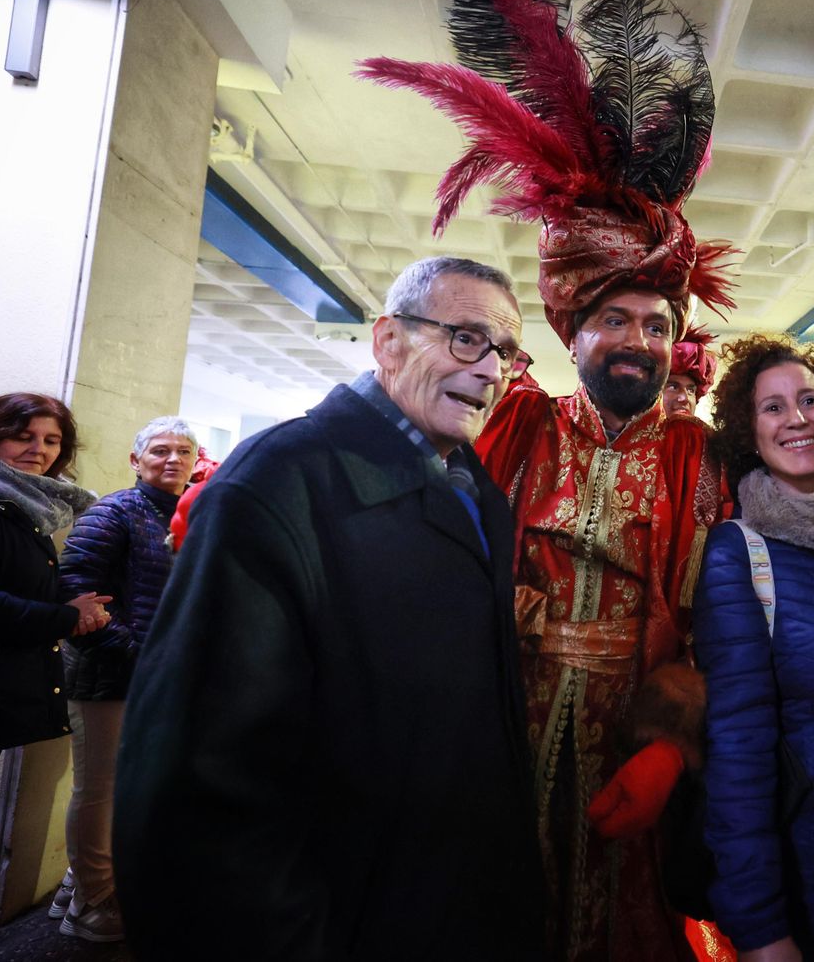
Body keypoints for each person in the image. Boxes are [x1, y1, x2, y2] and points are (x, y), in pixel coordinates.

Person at [362, 0, 736, 959]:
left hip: (637, 741)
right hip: (499, 729)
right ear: (575, 328)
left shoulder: (707, 455)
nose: (638, 338)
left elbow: (738, 622)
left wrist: (674, 733)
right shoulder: (510, 424)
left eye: (657, 323)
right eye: (613, 317)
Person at [112, 257, 544, 960]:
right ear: (388, 342)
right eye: (466, 338)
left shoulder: (476, 491)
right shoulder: (275, 486)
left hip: (443, 903)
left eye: (504, 352)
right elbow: (197, 787)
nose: (491, 371)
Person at [694, 334, 814, 962]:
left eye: (810, 399)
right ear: (749, 433)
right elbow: (738, 745)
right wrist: (760, 927)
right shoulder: (741, 553)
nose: (796, 418)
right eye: (772, 408)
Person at [0, 393, 108, 960]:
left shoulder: (12, 502)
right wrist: (65, 617)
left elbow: (6, 583)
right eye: (25, 436)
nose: (39, 451)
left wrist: (66, 599)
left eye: (52, 440)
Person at [49, 415, 197, 943]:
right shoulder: (112, 513)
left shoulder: (186, 515)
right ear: (136, 461)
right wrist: (139, 654)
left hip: (153, 678)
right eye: (159, 450)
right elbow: (76, 599)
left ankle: (79, 884)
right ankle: (92, 904)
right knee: (100, 791)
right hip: (106, 675)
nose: (172, 459)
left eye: (182, 451)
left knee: (128, 790)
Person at [665, 326, 719, 419]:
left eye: (691, 391)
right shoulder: (632, 432)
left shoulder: (708, 434)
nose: (684, 398)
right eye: (673, 387)